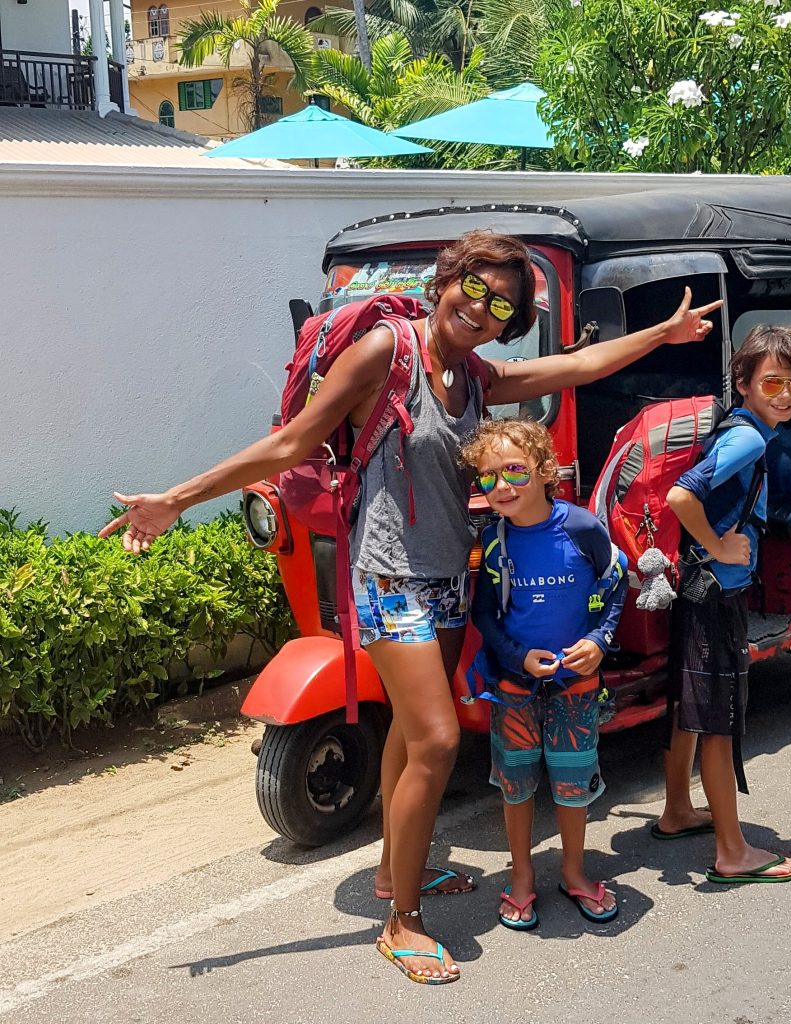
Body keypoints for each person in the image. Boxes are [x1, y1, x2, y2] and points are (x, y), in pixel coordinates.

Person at [99, 229, 722, 984]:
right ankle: (402, 923)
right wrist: (177, 498)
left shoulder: (475, 379)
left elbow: (576, 364)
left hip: (450, 580)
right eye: (476, 288)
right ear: (447, 279)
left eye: (502, 304)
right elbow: (294, 441)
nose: (483, 308)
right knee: (434, 740)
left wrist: (664, 332)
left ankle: (399, 876)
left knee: (403, 734)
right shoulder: (386, 354)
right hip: (390, 576)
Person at [656, 324, 791, 884]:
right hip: (716, 594)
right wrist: (719, 543)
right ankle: (732, 852)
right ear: (743, 381)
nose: (785, 395)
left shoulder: (741, 428)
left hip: (697, 589)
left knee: (691, 710)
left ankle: (677, 809)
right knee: (719, 724)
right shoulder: (748, 439)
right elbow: (682, 496)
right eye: (773, 381)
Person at [461, 418, 628, 931]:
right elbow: (483, 615)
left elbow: (615, 586)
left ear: (544, 469)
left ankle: (575, 873)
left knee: (573, 781)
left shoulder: (581, 528)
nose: (502, 486)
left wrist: (599, 642)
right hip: (514, 686)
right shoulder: (490, 542)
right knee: (515, 783)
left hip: (576, 686)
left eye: (514, 470)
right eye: (488, 477)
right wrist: (517, 657)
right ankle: (522, 875)